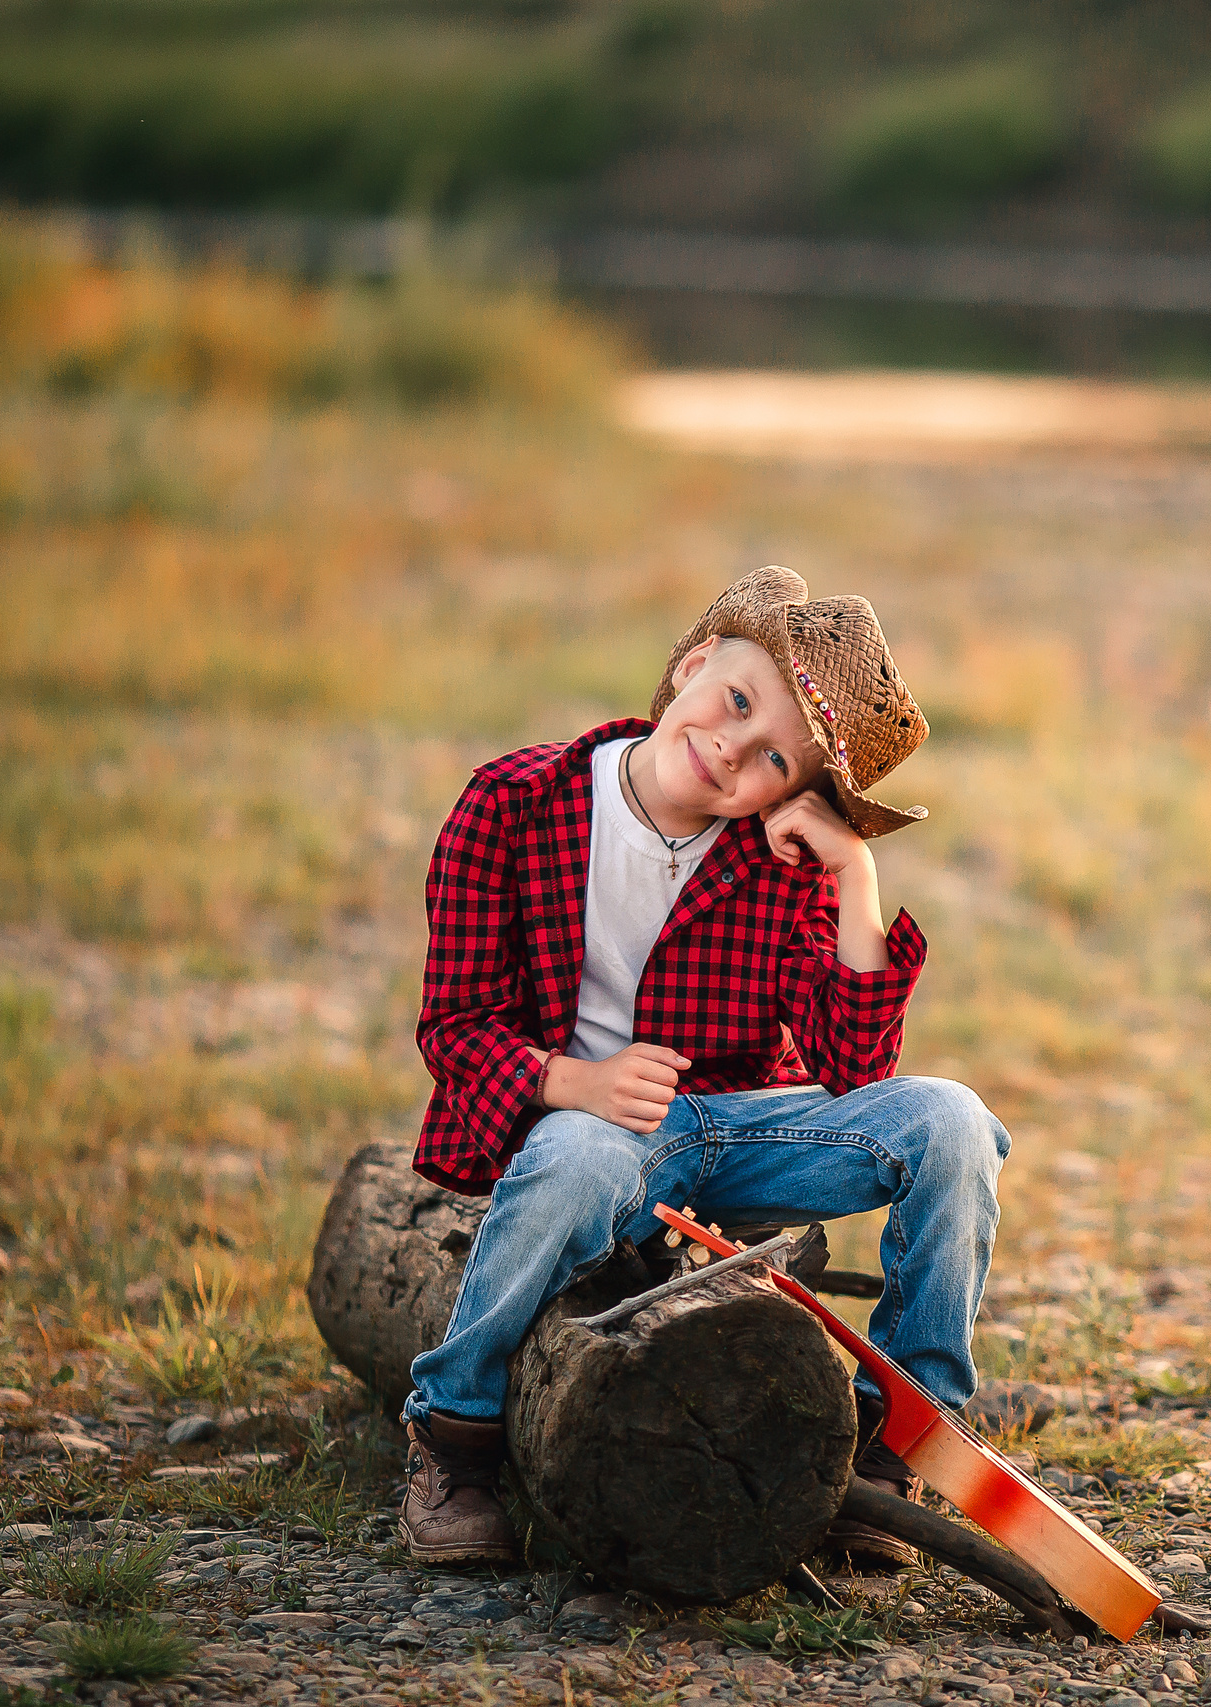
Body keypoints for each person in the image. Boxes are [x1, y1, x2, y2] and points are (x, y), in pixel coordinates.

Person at [399, 565, 1007, 1568]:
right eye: (734, 702)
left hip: (739, 1136)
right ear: (688, 666)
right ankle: (451, 1439)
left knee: (952, 1122)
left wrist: (855, 869)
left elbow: (854, 1067)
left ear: (795, 793)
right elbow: (454, 1025)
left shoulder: (782, 865)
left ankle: (893, 1442)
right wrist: (574, 1084)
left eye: (773, 759)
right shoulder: (514, 803)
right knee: (579, 1162)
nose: (732, 749)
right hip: (589, 1137)